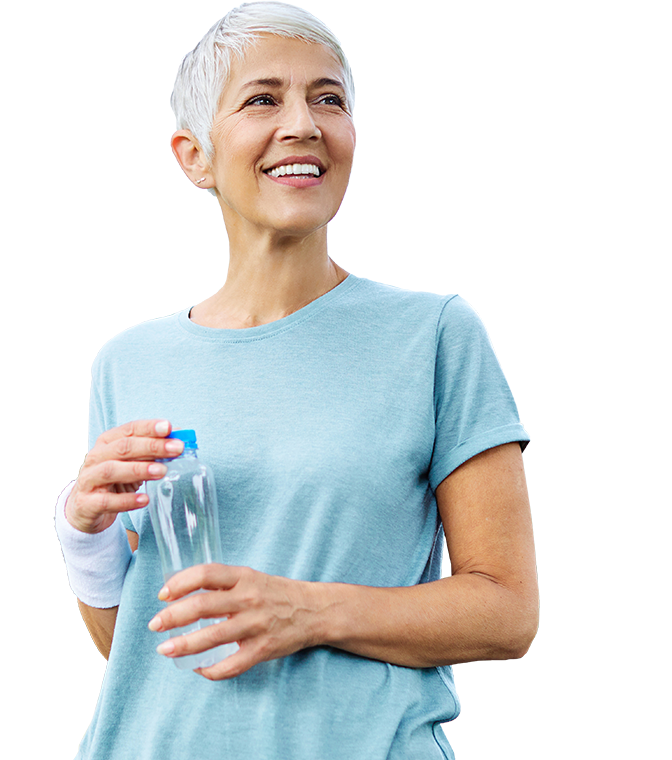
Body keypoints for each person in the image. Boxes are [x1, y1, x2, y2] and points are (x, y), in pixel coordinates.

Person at [54, 3, 539, 759]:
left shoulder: (434, 335)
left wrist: (307, 611)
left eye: (329, 98)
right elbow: (156, 652)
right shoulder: (130, 361)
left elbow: (507, 614)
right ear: (195, 156)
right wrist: (82, 539)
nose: (304, 123)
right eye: (262, 99)